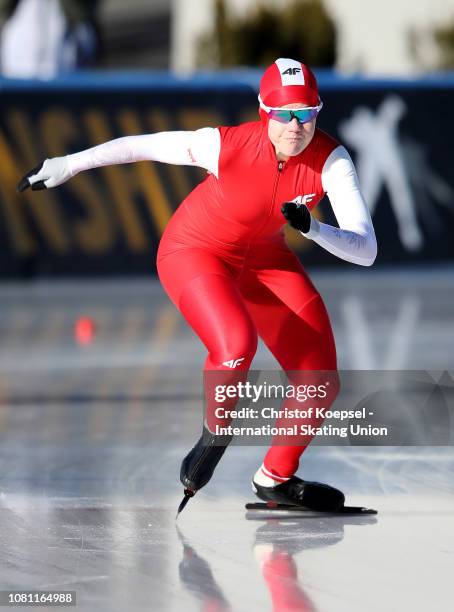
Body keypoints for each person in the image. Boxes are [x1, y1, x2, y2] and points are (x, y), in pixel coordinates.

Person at [18, 58, 377, 512]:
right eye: (284, 113)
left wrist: (314, 230)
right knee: (235, 345)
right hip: (194, 251)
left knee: (320, 377)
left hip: (264, 260)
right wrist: (68, 164)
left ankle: (274, 478)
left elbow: (366, 250)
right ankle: (215, 431)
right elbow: (140, 147)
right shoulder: (222, 145)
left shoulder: (331, 161)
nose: (296, 126)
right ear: (264, 111)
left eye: (306, 113)